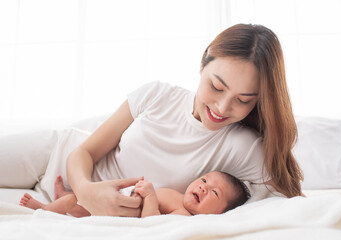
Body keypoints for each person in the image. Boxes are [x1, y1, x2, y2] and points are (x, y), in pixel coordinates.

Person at [1, 23, 303, 217]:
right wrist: (85, 190)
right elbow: (85, 152)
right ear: (203, 63)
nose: (222, 107)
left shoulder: (245, 148)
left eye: (243, 100)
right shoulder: (159, 95)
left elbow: (280, 203)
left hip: (71, 207)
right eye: (217, 86)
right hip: (57, 154)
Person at [20, 171, 250, 217]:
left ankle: (44, 210)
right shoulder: (178, 195)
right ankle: (63, 200)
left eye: (214, 193)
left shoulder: (183, 215)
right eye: (204, 180)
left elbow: (152, 225)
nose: (202, 187)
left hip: (112, 215)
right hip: (114, 203)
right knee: (75, 199)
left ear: (219, 213)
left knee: (73, 203)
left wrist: (149, 197)